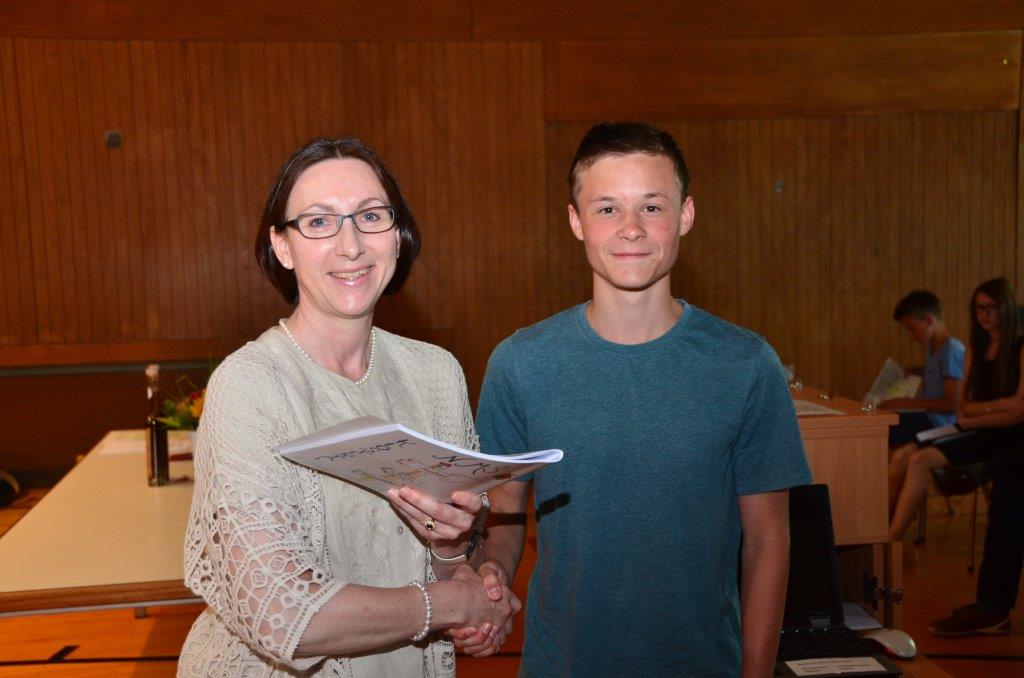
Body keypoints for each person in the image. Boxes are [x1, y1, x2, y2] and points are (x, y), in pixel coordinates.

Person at [468, 122, 812, 676]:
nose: (631, 228)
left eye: (652, 207)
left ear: (686, 215)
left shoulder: (746, 364)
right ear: (576, 221)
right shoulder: (520, 363)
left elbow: (769, 541)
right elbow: (505, 516)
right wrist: (494, 574)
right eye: (607, 209)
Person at [179, 137, 519, 676]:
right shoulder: (249, 385)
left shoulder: (435, 374)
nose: (351, 244)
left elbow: (446, 557)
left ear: (398, 234)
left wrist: (462, 563)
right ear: (282, 247)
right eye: (319, 222)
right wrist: (454, 603)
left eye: (370, 216)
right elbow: (279, 613)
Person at [888, 278, 1024, 542]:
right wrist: (1002, 405)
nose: (982, 314)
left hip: (1006, 436)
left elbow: (1019, 413)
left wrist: (980, 414)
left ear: (1005, 307)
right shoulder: (976, 348)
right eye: (978, 308)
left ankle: (890, 536)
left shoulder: (1018, 347)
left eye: (990, 308)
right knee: (909, 457)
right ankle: (888, 535)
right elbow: (964, 408)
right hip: (972, 429)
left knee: (912, 451)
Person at [882, 290, 964, 512]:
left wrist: (905, 403)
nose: (911, 335)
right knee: (882, 424)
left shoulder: (952, 350)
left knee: (883, 430)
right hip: (928, 418)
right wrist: (914, 371)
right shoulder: (932, 346)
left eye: (911, 328)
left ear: (928, 320)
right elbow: (939, 376)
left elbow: (951, 403)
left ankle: (887, 510)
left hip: (942, 424)